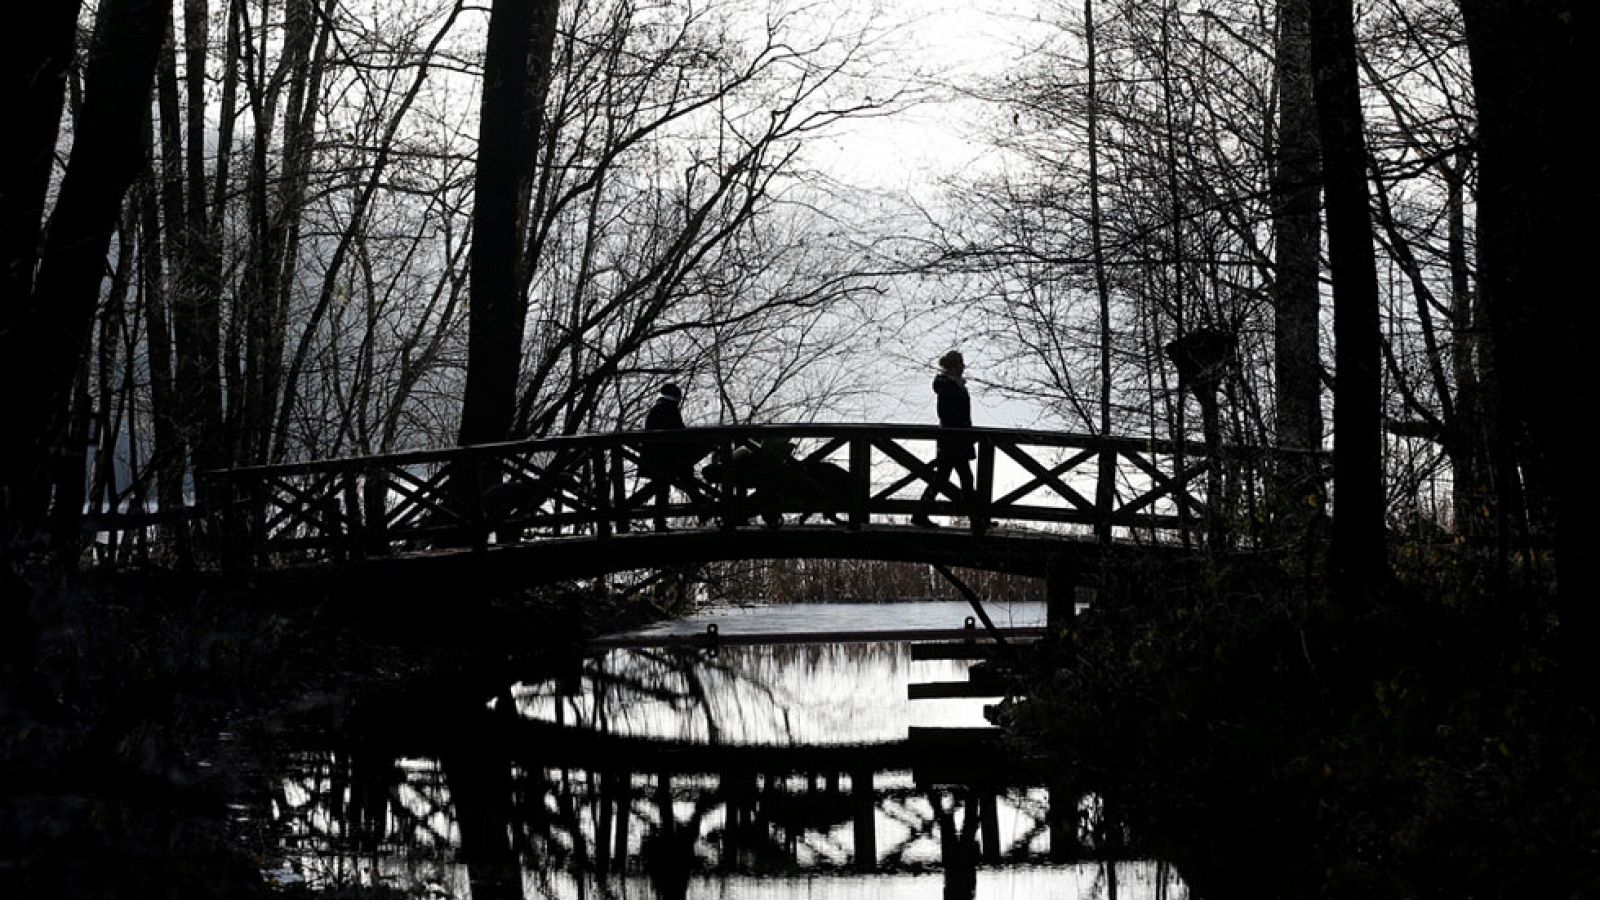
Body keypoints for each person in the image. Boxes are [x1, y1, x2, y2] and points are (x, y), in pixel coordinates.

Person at [912, 351, 979, 530]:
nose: (963, 367)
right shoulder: (950, 387)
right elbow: (951, 415)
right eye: (961, 364)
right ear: (955, 366)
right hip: (954, 440)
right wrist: (963, 432)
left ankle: (921, 514)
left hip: (953, 439)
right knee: (963, 477)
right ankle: (977, 518)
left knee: (944, 478)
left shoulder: (950, 386)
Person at [641, 381, 695, 531]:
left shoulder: (656, 410)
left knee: (661, 488)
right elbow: (678, 432)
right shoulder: (670, 410)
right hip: (666, 459)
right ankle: (702, 505)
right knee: (681, 479)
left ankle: (659, 521)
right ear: (676, 397)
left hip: (655, 458)